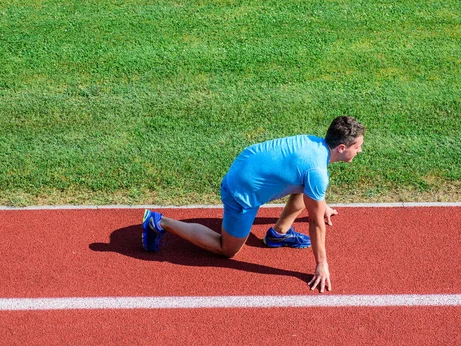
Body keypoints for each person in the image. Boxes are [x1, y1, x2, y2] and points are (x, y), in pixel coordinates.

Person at [142, 116, 365, 293]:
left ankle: (279, 233)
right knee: (227, 249)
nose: (360, 151)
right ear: (342, 148)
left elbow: (308, 184)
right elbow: (316, 223)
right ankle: (160, 222)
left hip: (248, 164)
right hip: (242, 190)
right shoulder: (317, 172)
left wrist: (321, 204)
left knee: (306, 188)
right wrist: (321, 263)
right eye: (358, 147)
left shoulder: (314, 144)